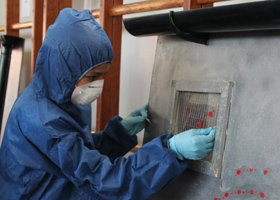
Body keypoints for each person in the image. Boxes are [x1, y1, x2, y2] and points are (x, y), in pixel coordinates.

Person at [0, 8, 215, 200]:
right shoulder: (44, 121)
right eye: (93, 76)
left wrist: (118, 134)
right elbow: (105, 181)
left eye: (102, 76)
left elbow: (77, 155)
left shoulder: (58, 96)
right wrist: (171, 150)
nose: (98, 85)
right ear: (64, 69)